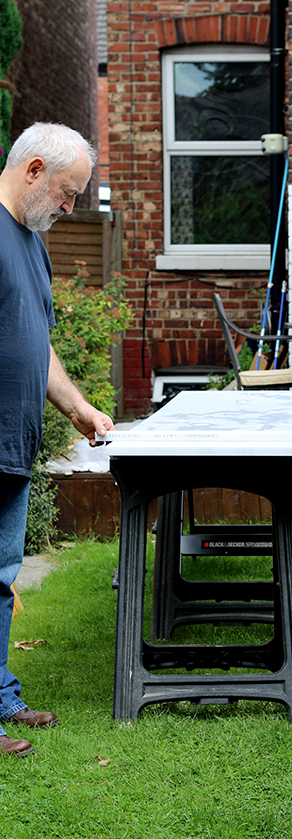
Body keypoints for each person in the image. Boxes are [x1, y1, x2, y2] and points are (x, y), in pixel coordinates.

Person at [0, 122, 115, 756]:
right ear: (34, 169)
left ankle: (1, 695)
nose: (70, 208)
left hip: (13, 447)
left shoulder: (31, 244)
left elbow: (35, 344)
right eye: (68, 193)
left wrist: (79, 409)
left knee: (1, 578)